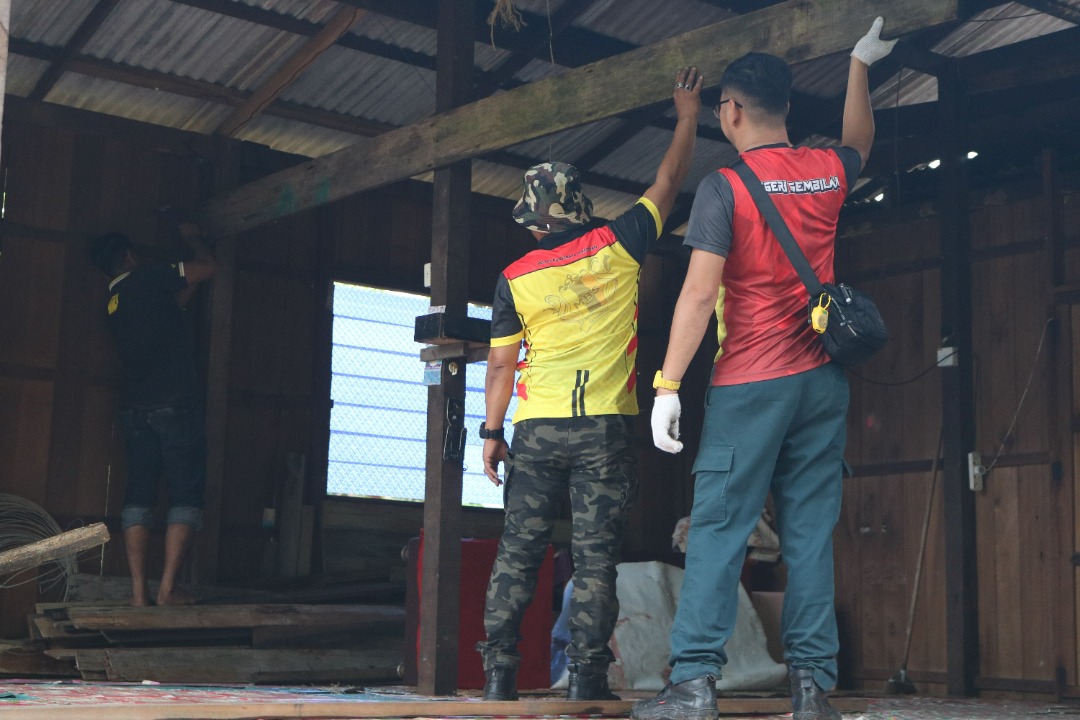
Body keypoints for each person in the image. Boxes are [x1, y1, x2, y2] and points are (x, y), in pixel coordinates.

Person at [630, 19, 896, 720]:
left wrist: (665, 386)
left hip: (751, 381)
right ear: (785, 110)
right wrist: (860, 65)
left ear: (731, 112)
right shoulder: (827, 170)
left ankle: (692, 687)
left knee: (721, 529)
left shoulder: (726, 188)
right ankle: (812, 691)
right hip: (821, 384)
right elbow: (860, 141)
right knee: (809, 535)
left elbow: (696, 295)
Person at [477, 66, 703, 702]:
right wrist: (686, 115)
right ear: (579, 210)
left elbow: (500, 366)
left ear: (532, 221)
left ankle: (499, 675)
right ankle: (585, 678)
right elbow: (668, 180)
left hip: (537, 428)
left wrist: (492, 434)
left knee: (518, 552)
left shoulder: (514, 276)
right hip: (603, 429)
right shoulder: (621, 242)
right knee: (596, 557)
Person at [90, 222, 217, 607]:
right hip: (175, 403)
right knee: (184, 493)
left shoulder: (113, 302)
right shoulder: (147, 276)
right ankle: (167, 589)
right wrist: (194, 238)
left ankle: (139, 593)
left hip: (134, 410)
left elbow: (173, 305)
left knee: (139, 496)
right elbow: (208, 268)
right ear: (129, 256)